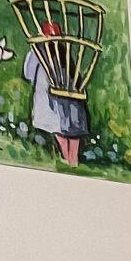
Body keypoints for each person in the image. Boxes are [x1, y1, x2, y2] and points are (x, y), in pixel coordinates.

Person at [23, 21, 87, 166]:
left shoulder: (37, 51)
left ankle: (68, 158)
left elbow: (28, 73)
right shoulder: (65, 52)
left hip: (49, 94)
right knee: (73, 129)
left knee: (58, 128)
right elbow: (77, 75)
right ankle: (73, 160)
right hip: (71, 94)